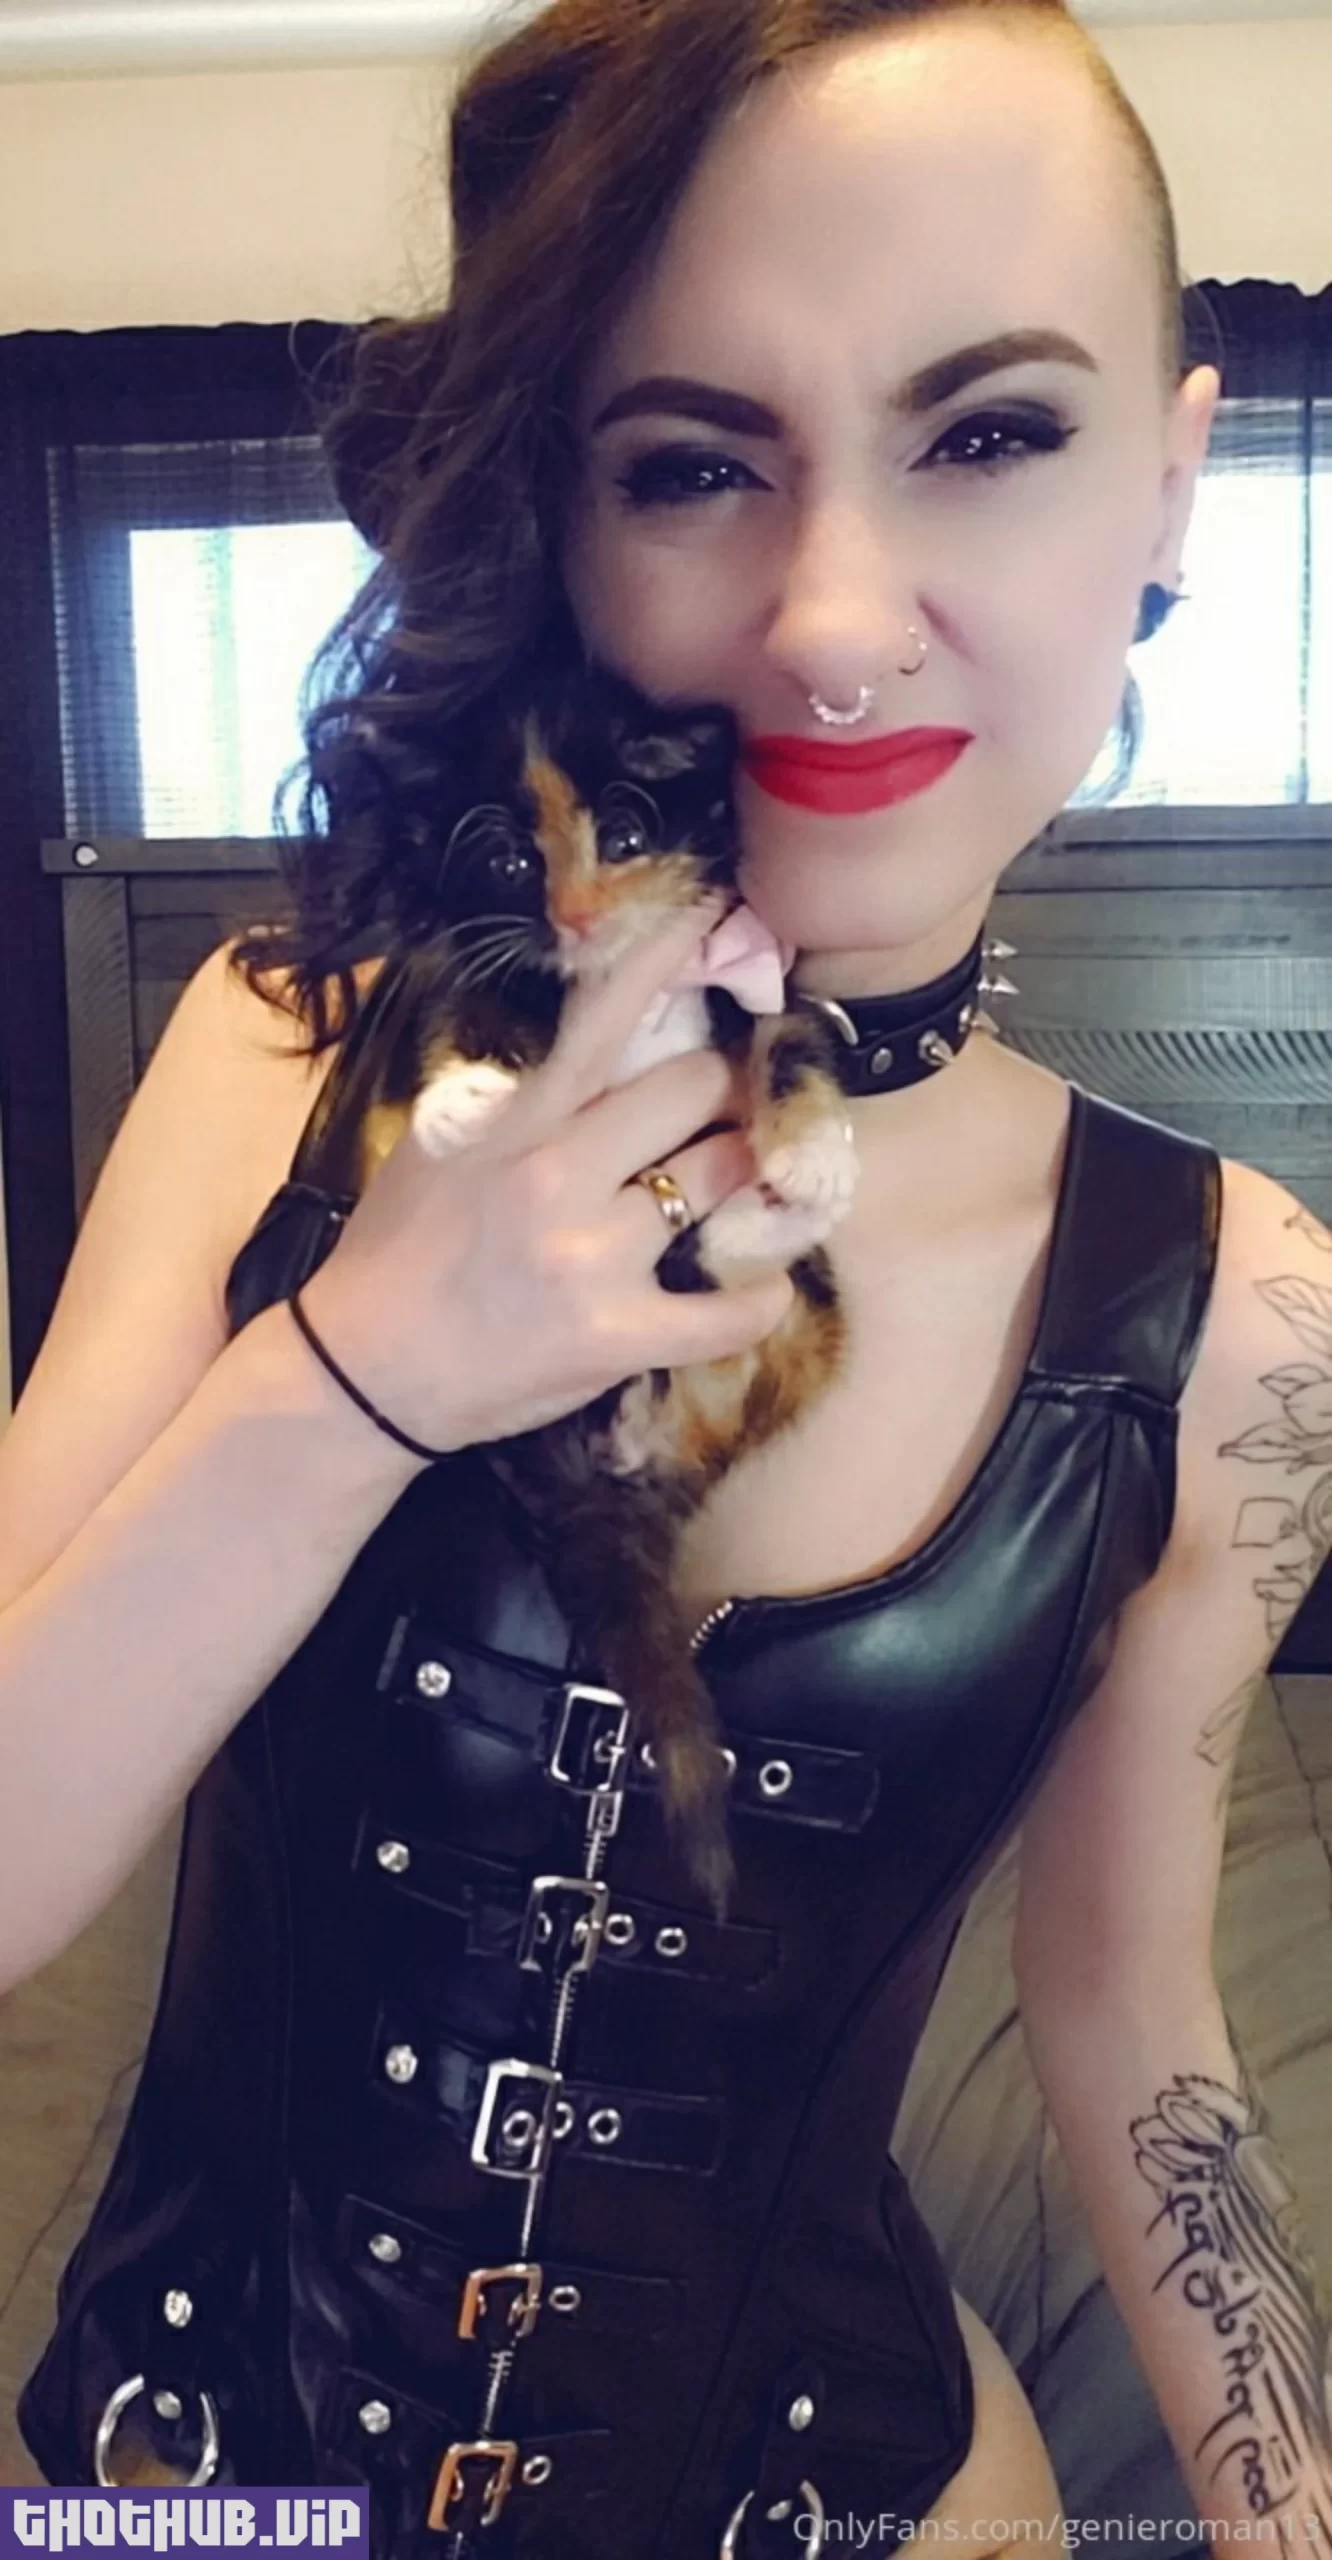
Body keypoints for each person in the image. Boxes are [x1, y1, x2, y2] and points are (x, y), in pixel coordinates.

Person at [5, 0, 1332, 2550]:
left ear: (1170, 486)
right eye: (695, 464)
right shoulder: (281, 1052)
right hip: (190, 2492)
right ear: (561, 521)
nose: (833, 620)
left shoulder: (1233, 1308)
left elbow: (1132, 2014)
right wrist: (363, 1370)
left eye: (989, 433)